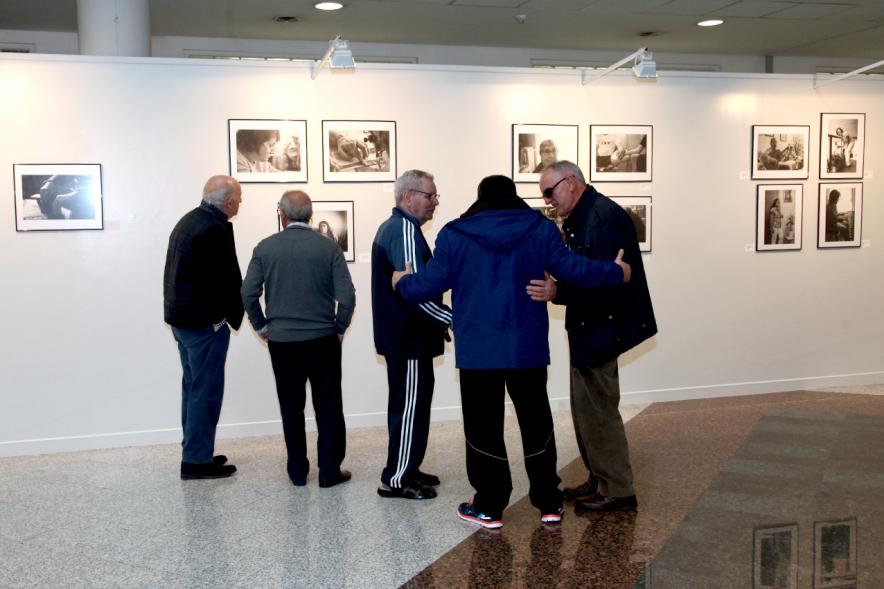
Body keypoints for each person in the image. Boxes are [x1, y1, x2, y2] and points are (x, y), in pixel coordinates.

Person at [393, 175, 631, 528]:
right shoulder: (541, 229)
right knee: (536, 423)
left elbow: (428, 284)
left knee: (483, 428)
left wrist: (401, 282)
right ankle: (549, 502)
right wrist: (616, 271)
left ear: (480, 199)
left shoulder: (454, 234)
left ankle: (489, 506)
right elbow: (573, 270)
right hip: (527, 347)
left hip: (479, 352)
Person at [528, 160, 657, 512]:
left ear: (571, 182)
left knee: (598, 411)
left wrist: (559, 293)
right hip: (589, 327)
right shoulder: (586, 216)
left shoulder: (601, 218)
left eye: (549, 192)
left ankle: (618, 489)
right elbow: (586, 271)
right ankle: (600, 477)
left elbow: (604, 283)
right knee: (586, 409)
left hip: (601, 326)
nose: (547, 200)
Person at [241, 190, 356, 488]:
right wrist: (339, 328)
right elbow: (347, 296)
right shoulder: (328, 248)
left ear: (282, 213)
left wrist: (261, 325)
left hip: (283, 342)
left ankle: (297, 472)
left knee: (291, 406)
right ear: (311, 215)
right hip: (322, 339)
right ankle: (329, 471)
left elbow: (247, 293)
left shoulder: (266, 248)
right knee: (328, 406)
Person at [371, 169, 453, 500]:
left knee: (412, 406)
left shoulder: (401, 228)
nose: (434, 202)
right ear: (408, 197)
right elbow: (415, 291)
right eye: (429, 195)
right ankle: (397, 478)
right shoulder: (404, 230)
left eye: (435, 196)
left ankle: (409, 465)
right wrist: (453, 317)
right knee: (408, 409)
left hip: (408, 338)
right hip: (409, 339)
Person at [163, 175, 245, 479]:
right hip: (202, 324)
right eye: (239, 196)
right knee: (205, 391)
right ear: (229, 201)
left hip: (183, 321)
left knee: (194, 387)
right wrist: (223, 318)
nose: (241, 202)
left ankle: (196, 450)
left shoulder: (190, 220)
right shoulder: (211, 229)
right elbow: (220, 282)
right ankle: (196, 460)